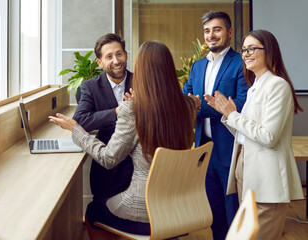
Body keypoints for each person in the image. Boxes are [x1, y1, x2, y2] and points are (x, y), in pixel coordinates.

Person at [49, 41, 196, 239]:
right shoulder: (188, 105)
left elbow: (108, 158)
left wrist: (75, 129)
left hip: (142, 210)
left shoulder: (133, 109)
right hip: (176, 207)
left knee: (93, 211)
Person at [204, 29, 304, 240]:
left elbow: (268, 136)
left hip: (267, 177)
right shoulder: (254, 88)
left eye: (252, 49)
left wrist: (233, 115)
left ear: (269, 52)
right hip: (245, 168)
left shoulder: (278, 86)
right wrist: (227, 115)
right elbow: (246, 133)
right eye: (244, 50)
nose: (246, 54)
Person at [182, 11, 249, 240]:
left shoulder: (241, 63)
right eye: (207, 31)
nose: (211, 35)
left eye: (217, 29)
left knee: (234, 210)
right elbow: (186, 96)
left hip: (230, 148)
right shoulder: (198, 66)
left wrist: (199, 106)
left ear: (229, 32)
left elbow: (241, 103)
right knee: (215, 212)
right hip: (204, 148)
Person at [72, 33, 134, 200]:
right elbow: (80, 121)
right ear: (100, 62)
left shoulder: (142, 82)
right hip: (108, 169)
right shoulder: (89, 87)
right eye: (109, 56)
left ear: (126, 55)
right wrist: (116, 112)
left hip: (140, 167)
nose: (116, 61)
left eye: (119, 54)